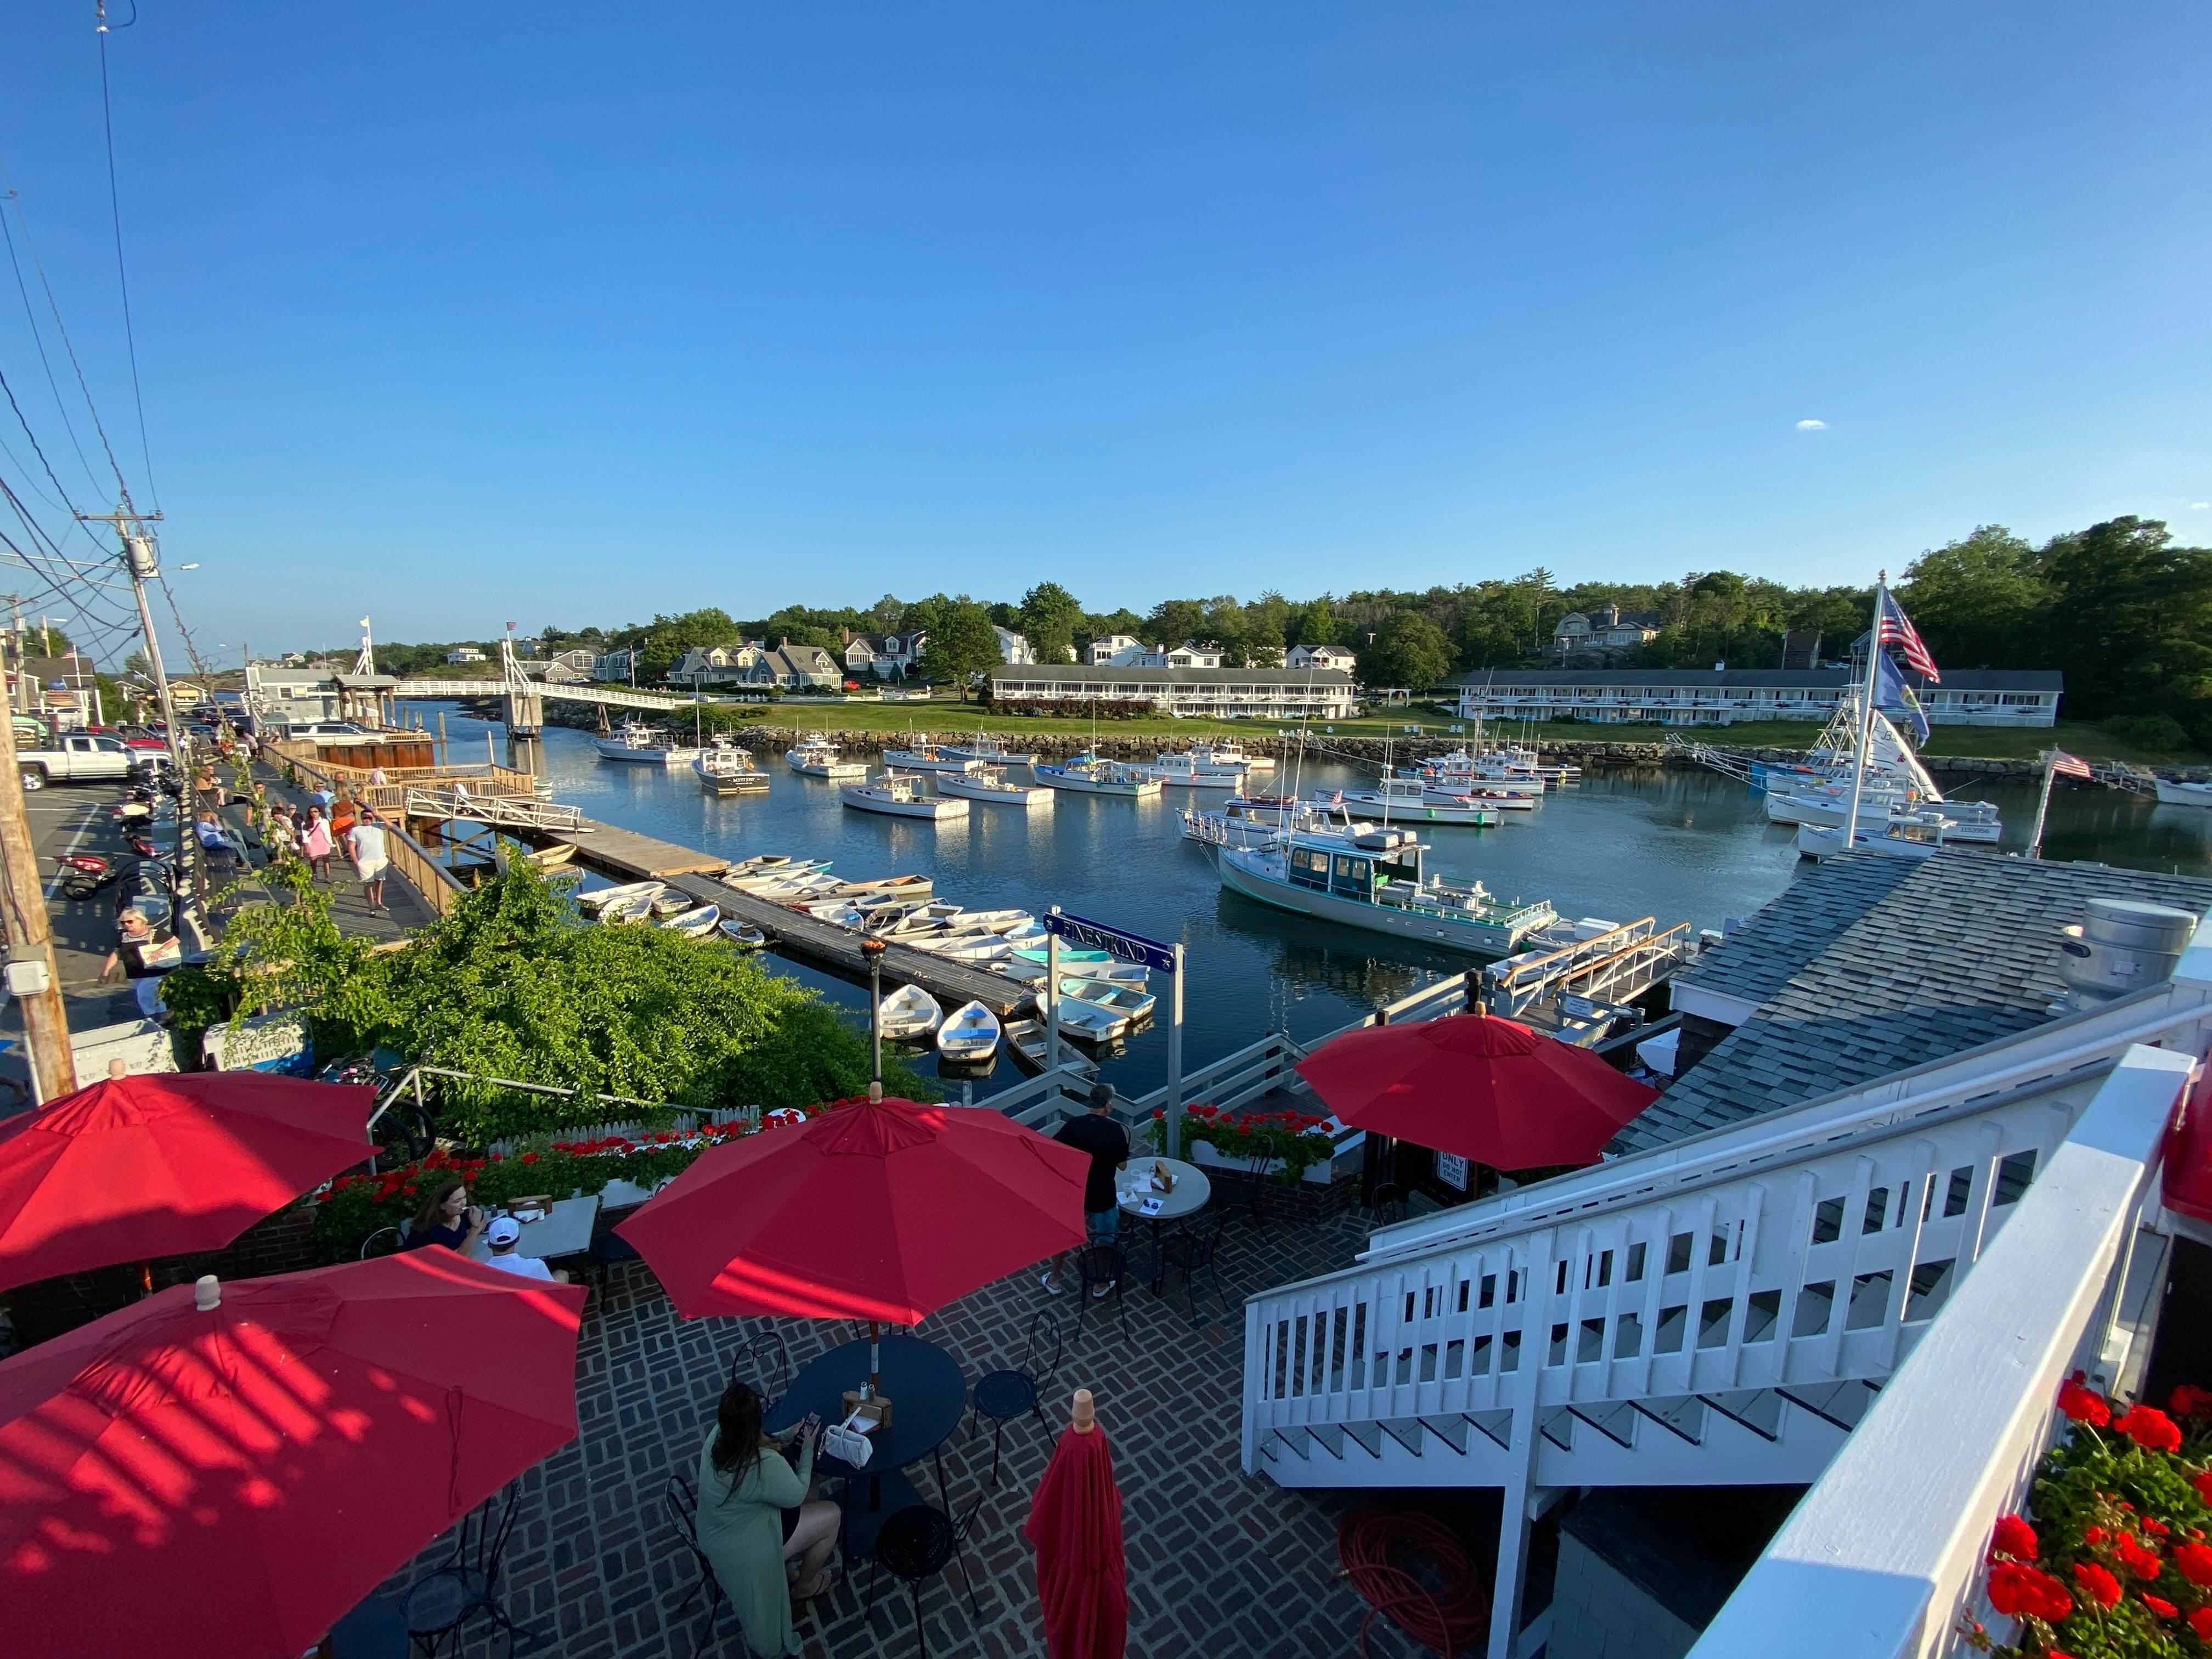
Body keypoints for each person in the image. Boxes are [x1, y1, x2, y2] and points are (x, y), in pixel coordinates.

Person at [695, 1381, 841, 1653]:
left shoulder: (716, 1438)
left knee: (813, 1482)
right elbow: (796, 1494)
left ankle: (791, 1568)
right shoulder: (760, 1466)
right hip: (750, 1550)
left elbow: (754, 1441)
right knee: (833, 1515)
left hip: (718, 1532)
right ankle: (805, 1586)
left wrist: (786, 1436)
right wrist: (807, 1446)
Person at [1041, 1081, 1129, 1297]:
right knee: (1105, 1236)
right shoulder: (1115, 1129)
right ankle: (1100, 1283)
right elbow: (1123, 1165)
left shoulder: (1074, 1125)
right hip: (1102, 1193)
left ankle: (1055, 1278)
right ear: (1108, 1106)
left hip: (1076, 1191)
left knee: (1065, 1234)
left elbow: (1055, 1150)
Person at [479, 1215, 571, 1282]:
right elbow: (552, 1292)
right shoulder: (536, 1265)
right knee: (562, 1274)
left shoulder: (481, 1273)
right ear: (518, 1240)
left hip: (502, 1306)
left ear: (489, 1244)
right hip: (533, 1306)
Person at [407, 1177, 486, 1254]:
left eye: (464, 1197)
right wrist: (475, 1229)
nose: (463, 1203)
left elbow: (483, 1223)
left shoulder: (462, 1214)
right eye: (457, 1201)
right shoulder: (431, 1231)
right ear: (442, 1206)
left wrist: (478, 1219)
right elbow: (458, 1258)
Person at [348, 806, 391, 913]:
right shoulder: (355, 830)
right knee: (368, 884)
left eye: (369, 818)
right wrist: (356, 861)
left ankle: (379, 903)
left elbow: (390, 825)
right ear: (361, 818)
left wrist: (379, 814)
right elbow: (351, 846)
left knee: (380, 881)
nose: (367, 820)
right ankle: (372, 906)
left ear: (373, 818)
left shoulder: (379, 826)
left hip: (380, 859)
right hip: (365, 862)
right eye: (365, 818)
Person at [301, 805, 335, 883]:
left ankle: (327, 877)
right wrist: (306, 846)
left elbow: (328, 833)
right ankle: (315, 873)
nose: (314, 814)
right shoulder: (305, 823)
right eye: (311, 812)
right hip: (313, 843)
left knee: (326, 860)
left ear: (319, 812)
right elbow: (304, 835)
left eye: (315, 812)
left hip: (324, 842)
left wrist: (331, 844)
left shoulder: (324, 821)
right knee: (313, 860)